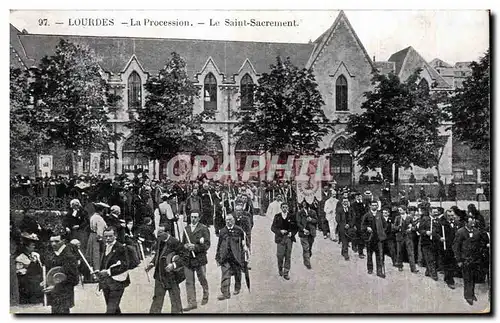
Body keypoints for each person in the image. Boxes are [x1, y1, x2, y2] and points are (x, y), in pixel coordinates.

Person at [146, 226, 186, 313]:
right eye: (158, 232)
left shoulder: (175, 242)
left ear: (167, 232)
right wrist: (152, 263)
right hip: (159, 276)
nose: (158, 234)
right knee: (157, 300)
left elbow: (185, 257)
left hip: (172, 277)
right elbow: (158, 254)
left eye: (161, 232)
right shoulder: (160, 240)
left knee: (175, 301)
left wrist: (174, 265)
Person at [453, 215, 489, 305]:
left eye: (473, 221)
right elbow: (456, 247)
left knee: (473, 278)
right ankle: (468, 296)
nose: (473, 223)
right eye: (470, 221)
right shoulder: (460, 232)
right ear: (466, 222)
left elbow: (481, 244)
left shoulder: (477, 232)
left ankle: (472, 294)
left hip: (475, 260)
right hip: (465, 260)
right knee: (467, 278)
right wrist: (459, 260)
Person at [43, 227, 79, 314]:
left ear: (63, 241)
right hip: (54, 294)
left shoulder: (69, 256)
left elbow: (74, 279)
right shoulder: (51, 254)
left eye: (56, 241)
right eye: (51, 241)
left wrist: (55, 286)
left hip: (64, 295)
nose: (53, 244)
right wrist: (45, 281)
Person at [95, 226, 131, 314]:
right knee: (113, 308)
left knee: (110, 310)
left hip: (118, 282)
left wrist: (108, 272)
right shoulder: (104, 246)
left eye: (110, 236)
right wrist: (99, 273)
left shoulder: (121, 248)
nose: (107, 238)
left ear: (115, 236)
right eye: (106, 236)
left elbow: (125, 265)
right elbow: (104, 262)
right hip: (106, 282)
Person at [181, 213, 211, 311]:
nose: (193, 219)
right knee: (189, 282)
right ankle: (192, 303)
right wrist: (185, 246)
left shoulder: (203, 229)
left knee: (202, 278)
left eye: (195, 217)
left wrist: (195, 247)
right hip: (188, 259)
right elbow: (183, 243)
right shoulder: (186, 229)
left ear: (199, 218)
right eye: (192, 217)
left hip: (199, 258)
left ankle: (205, 293)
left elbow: (207, 244)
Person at [215, 214, 248, 300]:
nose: (228, 222)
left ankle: (237, 287)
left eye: (230, 220)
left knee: (237, 273)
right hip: (225, 256)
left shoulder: (239, 230)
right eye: (227, 220)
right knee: (225, 274)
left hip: (236, 256)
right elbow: (219, 245)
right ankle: (225, 293)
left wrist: (244, 250)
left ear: (233, 220)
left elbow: (243, 242)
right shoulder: (222, 231)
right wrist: (217, 256)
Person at [271, 203, 298, 280]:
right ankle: (280, 268)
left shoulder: (292, 216)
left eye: (286, 207)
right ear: (281, 208)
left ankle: (286, 272)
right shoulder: (277, 216)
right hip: (280, 238)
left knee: (288, 255)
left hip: (289, 238)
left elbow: (296, 227)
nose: (285, 209)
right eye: (283, 207)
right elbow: (272, 227)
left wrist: (291, 233)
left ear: (288, 208)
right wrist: (279, 231)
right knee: (280, 255)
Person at [16, 233, 44, 304]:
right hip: (28, 284)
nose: (34, 247)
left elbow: (40, 267)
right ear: (26, 247)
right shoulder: (20, 258)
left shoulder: (36, 255)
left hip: (39, 281)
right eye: (32, 245)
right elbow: (20, 273)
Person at [361, 201, 387, 278]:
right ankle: (370, 268)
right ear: (370, 206)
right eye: (373, 205)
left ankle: (379, 271)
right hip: (370, 238)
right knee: (369, 254)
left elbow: (385, 225)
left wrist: (382, 232)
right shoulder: (367, 215)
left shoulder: (380, 215)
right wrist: (367, 228)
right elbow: (362, 226)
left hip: (378, 239)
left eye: (376, 205)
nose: (374, 207)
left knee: (379, 255)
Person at [393, 206, 419, 273]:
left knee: (410, 253)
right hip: (400, 237)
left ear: (405, 210)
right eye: (399, 210)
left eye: (401, 210)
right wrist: (398, 227)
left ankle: (413, 268)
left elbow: (414, 227)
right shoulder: (397, 218)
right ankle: (400, 266)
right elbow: (394, 227)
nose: (399, 211)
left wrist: (411, 229)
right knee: (400, 252)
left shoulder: (409, 217)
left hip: (408, 237)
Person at [296, 201, 318, 269]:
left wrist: (311, 220)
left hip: (311, 233)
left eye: (306, 202)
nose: (305, 204)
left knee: (309, 247)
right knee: (306, 248)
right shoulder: (299, 213)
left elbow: (317, 220)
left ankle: (307, 256)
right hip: (303, 233)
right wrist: (303, 229)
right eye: (303, 202)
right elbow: (298, 223)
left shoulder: (313, 212)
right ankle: (307, 263)